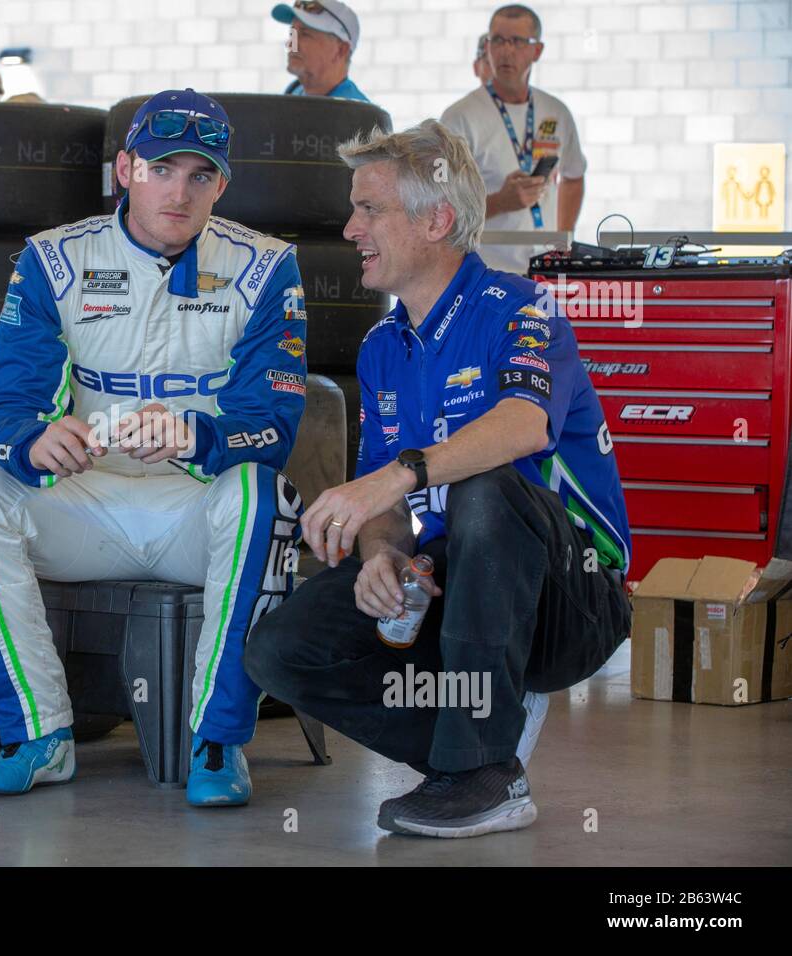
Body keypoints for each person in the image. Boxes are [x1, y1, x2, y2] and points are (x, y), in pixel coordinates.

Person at [244, 119, 632, 838]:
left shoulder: (524, 307)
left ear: (437, 218)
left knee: (487, 486)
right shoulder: (380, 347)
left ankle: (479, 768)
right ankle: (481, 755)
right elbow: (383, 507)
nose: (350, 226)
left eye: (370, 208)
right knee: (279, 650)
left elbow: (525, 427)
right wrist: (381, 556)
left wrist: (395, 480)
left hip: (573, 597)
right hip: (462, 583)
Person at [0, 89, 308, 807]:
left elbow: (273, 426)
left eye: (202, 175)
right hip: (89, 501)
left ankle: (217, 742)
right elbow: (4, 409)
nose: (180, 190)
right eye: (163, 169)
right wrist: (35, 440)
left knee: (265, 497)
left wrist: (196, 434)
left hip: (197, 505)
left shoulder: (265, 268)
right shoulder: (54, 260)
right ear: (126, 169)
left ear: (222, 185)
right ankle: (39, 736)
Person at [440, 4, 585, 275]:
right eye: (497, 40)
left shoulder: (556, 111)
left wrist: (563, 240)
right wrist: (500, 202)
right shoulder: (459, 117)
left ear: (537, 50)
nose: (506, 51)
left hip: (547, 272)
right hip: (486, 273)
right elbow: (439, 205)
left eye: (517, 41)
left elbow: (574, 176)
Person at [271, 0, 371, 101]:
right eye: (292, 34)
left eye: (305, 34)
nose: (291, 44)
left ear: (341, 50)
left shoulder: (360, 114)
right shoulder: (294, 91)